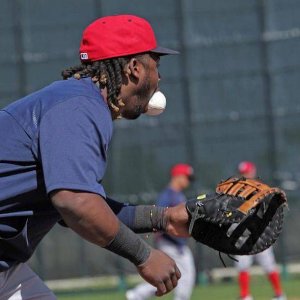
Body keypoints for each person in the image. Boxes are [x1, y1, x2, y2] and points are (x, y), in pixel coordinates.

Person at [0, 15, 192, 299]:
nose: (159, 77)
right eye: (156, 64)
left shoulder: (75, 101)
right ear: (135, 69)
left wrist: (163, 218)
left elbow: (82, 207)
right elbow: (75, 202)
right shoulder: (80, 107)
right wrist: (144, 255)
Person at [126, 163, 196, 300]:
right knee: (184, 275)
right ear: (178, 176)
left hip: (177, 243)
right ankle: (136, 295)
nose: (188, 181)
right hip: (170, 242)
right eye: (187, 177)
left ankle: (136, 295)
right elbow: (158, 217)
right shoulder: (168, 195)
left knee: (172, 276)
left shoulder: (178, 195)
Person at [235, 161, 286, 300]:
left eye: (247, 172)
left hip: (260, 233)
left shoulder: (262, 189)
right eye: (242, 173)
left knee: (269, 264)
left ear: (253, 171)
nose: (245, 175)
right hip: (243, 234)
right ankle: (245, 296)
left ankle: (279, 294)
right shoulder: (236, 191)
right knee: (242, 265)